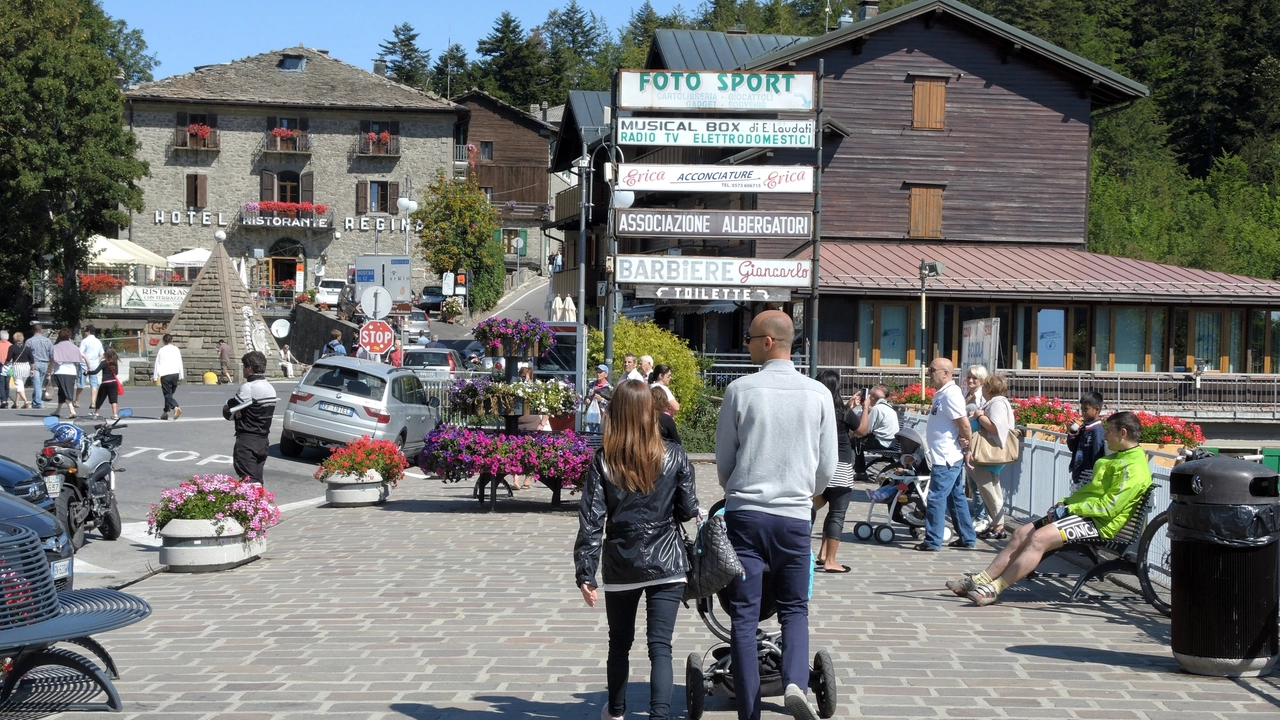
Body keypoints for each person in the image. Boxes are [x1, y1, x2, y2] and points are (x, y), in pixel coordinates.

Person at [715, 310, 836, 720]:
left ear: (768, 341)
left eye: (749, 337)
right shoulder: (818, 393)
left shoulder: (740, 390)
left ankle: (749, 712)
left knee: (744, 614)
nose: (745, 344)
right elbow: (827, 467)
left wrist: (741, 485)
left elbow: (724, 462)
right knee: (794, 608)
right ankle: (793, 685)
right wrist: (808, 493)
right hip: (794, 516)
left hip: (746, 515)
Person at [574, 379, 699, 720]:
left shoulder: (604, 460)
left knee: (620, 643)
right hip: (668, 560)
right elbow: (688, 510)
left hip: (621, 561)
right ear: (650, 412)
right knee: (661, 647)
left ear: (615, 414)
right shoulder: (674, 454)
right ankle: (659, 715)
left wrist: (586, 572)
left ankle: (615, 712)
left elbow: (591, 519)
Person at [949, 411, 1152, 606]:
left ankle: (995, 588)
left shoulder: (1133, 467)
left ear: (1123, 433)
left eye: (1109, 431)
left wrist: (1070, 510)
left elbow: (1109, 507)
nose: (1105, 435)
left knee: (1039, 538)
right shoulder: (1118, 458)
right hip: (1083, 513)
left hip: (1099, 523)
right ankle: (981, 579)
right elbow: (1090, 493)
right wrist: (1064, 504)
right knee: (1021, 533)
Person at [916, 357, 976, 551]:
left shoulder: (951, 394)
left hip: (946, 456)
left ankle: (933, 540)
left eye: (932, 370)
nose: (929, 374)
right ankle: (967, 537)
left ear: (945, 373)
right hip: (946, 455)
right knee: (955, 497)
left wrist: (967, 445)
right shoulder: (942, 394)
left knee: (936, 497)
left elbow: (964, 423)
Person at [812, 370, 858, 574]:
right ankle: (830, 560)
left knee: (812, 509)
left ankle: (820, 554)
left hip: (818, 467)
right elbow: (862, 429)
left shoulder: (814, 408)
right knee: (837, 514)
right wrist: (864, 408)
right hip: (841, 467)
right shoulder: (843, 411)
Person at [966, 374, 1016, 540]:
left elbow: (995, 428)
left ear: (988, 388)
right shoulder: (997, 402)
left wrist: (979, 415)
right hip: (989, 454)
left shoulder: (997, 404)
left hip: (990, 453)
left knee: (990, 491)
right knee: (989, 490)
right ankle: (994, 524)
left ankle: (998, 526)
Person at [223, 351, 277, 485]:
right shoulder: (270, 388)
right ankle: (261, 504)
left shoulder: (249, 388)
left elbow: (228, 410)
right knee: (257, 481)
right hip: (263, 440)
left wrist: (237, 410)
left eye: (243, 366)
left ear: (250, 368)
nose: (242, 369)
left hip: (248, 440)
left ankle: (256, 505)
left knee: (249, 482)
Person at [850, 384, 898, 480]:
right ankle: (859, 469)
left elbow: (866, 430)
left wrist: (854, 433)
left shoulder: (877, 409)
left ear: (872, 397)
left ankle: (860, 472)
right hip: (892, 441)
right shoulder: (887, 407)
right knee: (857, 439)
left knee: (855, 442)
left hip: (882, 442)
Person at [1067, 391, 1107, 490]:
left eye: (1086, 409)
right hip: (1078, 475)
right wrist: (1072, 431)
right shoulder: (1084, 427)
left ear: (1096, 410)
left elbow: (1097, 454)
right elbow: (1072, 448)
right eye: (1082, 409)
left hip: (1088, 477)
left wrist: (1094, 476)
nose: (1083, 412)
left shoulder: (1097, 430)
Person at [48, 329, 88, 419]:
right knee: (62, 391)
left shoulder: (56, 347)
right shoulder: (74, 347)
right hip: (72, 372)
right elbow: (84, 356)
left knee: (65, 391)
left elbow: (53, 361)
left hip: (60, 371)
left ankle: (72, 410)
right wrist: (88, 367)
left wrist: (49, 372)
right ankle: (57, 411)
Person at [152, 333, 184, 420]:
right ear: (171, 340)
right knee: (170, 394)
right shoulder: (176, 349)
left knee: (167, 394)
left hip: (166, 374)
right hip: (175, 374)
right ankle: (165, 412)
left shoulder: (162, 350)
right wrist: (181, 374)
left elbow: (157, 363)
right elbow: (180, 361)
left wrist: (155, 376)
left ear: (163, 341)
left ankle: (176, 407)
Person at [86, 348, 122, 420]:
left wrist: (87, 372)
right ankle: (115, 414)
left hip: (105, 383)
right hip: (113, 383)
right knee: (113, 399)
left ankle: (96, 413)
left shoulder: (104, 363)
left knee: (100, 398)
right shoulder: (115, 362)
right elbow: (116, 373)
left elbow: (95, 371)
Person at [76, 325, 103, 410]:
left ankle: (77, 401)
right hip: (95, 365)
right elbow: (102, 354)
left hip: (84, 364)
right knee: (94, 384)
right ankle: (93, 403)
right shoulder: (98, 341)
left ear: (88, 332)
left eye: (85, 331)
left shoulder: (84, 341)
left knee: (81, 384)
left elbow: (80, 352)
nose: (84, 333)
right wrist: (97, 360)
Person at [26, 324, 53, 409]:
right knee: (39, 383)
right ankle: (35, 401)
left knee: (36, 383)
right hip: (44, 363)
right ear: (41, 330)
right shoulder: (47, 341)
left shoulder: (29, 341)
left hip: (34, 363)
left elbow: (26, 353)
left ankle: (38, 402)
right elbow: (52, 354)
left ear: (33, 330)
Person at [584, 364, 613, 432]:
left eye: (600, 372)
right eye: (597, 372)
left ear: (606, 374)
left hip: (603, 418)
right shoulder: (591, 385)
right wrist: (586, 400)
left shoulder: (609, 388)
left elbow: (612, 404)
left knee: (600, 439)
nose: (598, 374)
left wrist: (601, 400)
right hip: (591, 417)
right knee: (588, 436)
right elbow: (587, 396)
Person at [7, 332, 32, 409]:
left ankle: (26, 401)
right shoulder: (27, 348)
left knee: (19, 385)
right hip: (26, 367)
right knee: (21, 385)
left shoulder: (12, 347)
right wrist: (32, 370)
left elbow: (8, 358)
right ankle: (16, 403)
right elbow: (32, 360)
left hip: (17, 367)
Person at [0, 330, 10, 409]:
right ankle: (6, 400)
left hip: (1, 367)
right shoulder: (11, 345)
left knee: (1, 384)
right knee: (7, 384)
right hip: (9, 367)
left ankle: (3, 400)